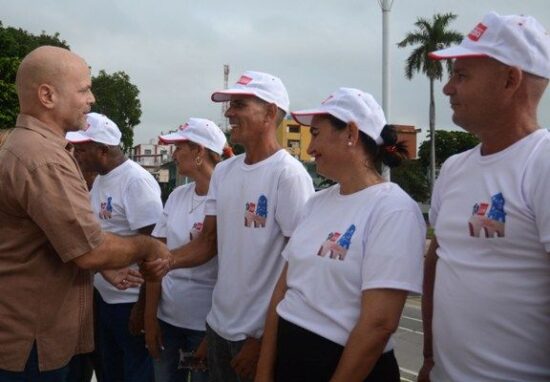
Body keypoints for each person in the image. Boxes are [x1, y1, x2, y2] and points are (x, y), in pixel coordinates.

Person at [0, 46, 171, 381]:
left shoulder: (31, 149)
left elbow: (58, 240)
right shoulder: (42, 159)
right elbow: (90, 249)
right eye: (82, 89)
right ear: (47, 95)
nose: (91, 98)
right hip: (32, 340)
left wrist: (101, 265)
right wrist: (149, 247)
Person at [144, 71, 315, 382]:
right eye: (229, 105)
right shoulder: (225, 172)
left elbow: (300, 268)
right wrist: (165, 261)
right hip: (218, 329)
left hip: (256, 336)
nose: (229, 113)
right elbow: (208, 242)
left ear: (270, 112)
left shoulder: (288, 175)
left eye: (239, 104)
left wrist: (262, 338)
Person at [253, 88, 426, 382]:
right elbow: (283, 292)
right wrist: (264, 371)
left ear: (351, 134)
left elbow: (379, 324)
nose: (310, 148)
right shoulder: (316, 203)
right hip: (289, 361)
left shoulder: (393, 209)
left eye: (316, 134)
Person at [419, 12, 550, 382]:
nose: (448, 88)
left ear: (511, 80)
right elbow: (436, 264)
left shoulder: (542, 163)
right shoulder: (455, 168)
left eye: (461, 76)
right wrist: (428, 358)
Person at [67, 112, 162, 382]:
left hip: (129, 301)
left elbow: (154, 249)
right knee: (109, 372)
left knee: (134, 373)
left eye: (82, 149)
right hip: (104, 297)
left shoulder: (136, 182)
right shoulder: (100, 179)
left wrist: (143, 308)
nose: (76, 154)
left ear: (103, 150)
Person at [144, 117, 228, 382]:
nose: (174, 154)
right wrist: (150, 317)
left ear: (199, 151)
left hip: (205, 325)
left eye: (179, 147)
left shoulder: (228, 197)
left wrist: (213, 333)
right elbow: (157, 254)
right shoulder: (179, 195)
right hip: (169, 320)